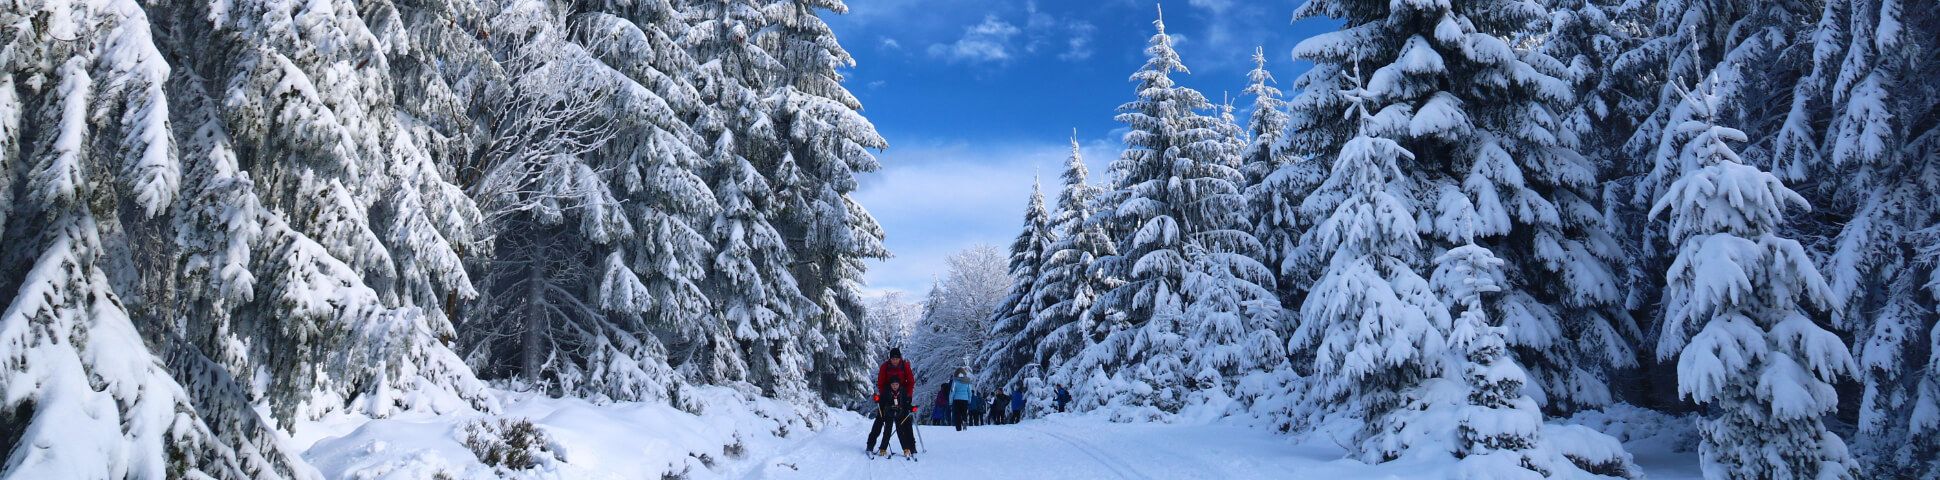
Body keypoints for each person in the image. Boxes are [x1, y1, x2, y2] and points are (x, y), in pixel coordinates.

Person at [868, 349, 916, 452]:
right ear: (890, 358)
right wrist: (884, 396)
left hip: (902, 395)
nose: (895, 361)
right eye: (893, 359)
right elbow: (880, 383)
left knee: (906, 421)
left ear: (900, 358)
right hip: (887, 394)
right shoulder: (885, 366)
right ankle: (870, 445)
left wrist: (908, 396)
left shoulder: (905, 366)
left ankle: (911, 447)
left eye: (896, 359)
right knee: (880, 420)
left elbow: (911, 382)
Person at [866, 379, 917, 457]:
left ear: (899, 385)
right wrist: (877, 399)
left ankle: (906, 449)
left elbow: (905, 404)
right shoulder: (886, 392)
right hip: (888, 414)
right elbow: (881, 401)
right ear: (890, 385)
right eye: (893, 385)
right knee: (887, 431)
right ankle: (883, 449)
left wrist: (912, 408)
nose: (895, 386)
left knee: (901, 431)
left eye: (896, 384)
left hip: (899, 414)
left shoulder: (902, 392)